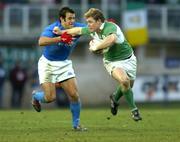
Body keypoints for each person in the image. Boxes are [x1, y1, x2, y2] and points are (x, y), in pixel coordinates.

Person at [53, 8, 142, 121]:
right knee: (125, 81)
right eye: (87, 22)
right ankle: (134, 111)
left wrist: (96, 47)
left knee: (127, 86)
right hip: (112, 62)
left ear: (99, 21)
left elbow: (111, 39)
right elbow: (77, 30)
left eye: (90, 22)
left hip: (129, 59)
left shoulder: (110, 27)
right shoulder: (92, 30)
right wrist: (61, 32)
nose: (88, 24)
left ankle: (114, 98)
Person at [31, 7, 87, 131]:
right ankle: (36, 97)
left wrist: (106, 27)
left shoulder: (77, 27)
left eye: (73, 18)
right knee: (50, 98)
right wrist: (60, 38)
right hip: (47, 64)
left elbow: (91, 29)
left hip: (63, 64)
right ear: (61, 19)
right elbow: (41, 41)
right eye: (69, 18)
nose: (72, 21)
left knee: (74, 95)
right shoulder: (53, 28)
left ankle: (76, 125)